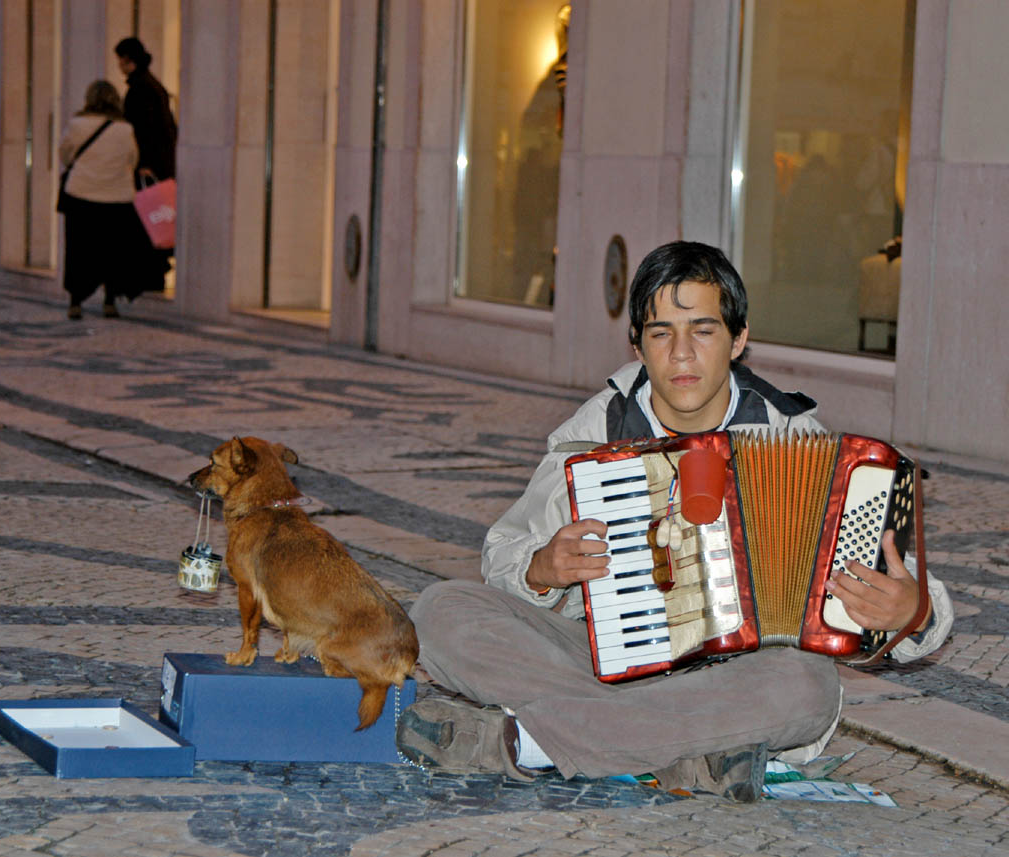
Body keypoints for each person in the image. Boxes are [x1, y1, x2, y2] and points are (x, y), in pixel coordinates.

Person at [397, 240, 953, 801]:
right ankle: (689, 753)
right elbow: (504, 554)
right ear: (636, 344)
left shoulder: (797, 439)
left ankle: (526, 745)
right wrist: (541, 570)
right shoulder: (595, 430)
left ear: (739, 338)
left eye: (704, 330)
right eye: (661, 333)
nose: (681, 354)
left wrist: (913, 611)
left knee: (806, 687)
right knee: (440, 612)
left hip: (732, 676)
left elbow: (902, 586)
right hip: (598, 658)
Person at [58, 80, 163, 319]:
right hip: (116, 198)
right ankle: (109, 301)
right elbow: (132, 158)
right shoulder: (124, 129)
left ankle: (76, 301)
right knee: (113, 251)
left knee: (78, 250)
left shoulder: (77, 125)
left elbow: (65, 154)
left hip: (81, 195)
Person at [114, 36, 177, 185]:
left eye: (120, 59)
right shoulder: (149, 84)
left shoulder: (141, 87)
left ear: (128, 59)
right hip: (160, 160)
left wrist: (145, 162)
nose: (119, 64)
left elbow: (145, 127)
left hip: (150, 163)